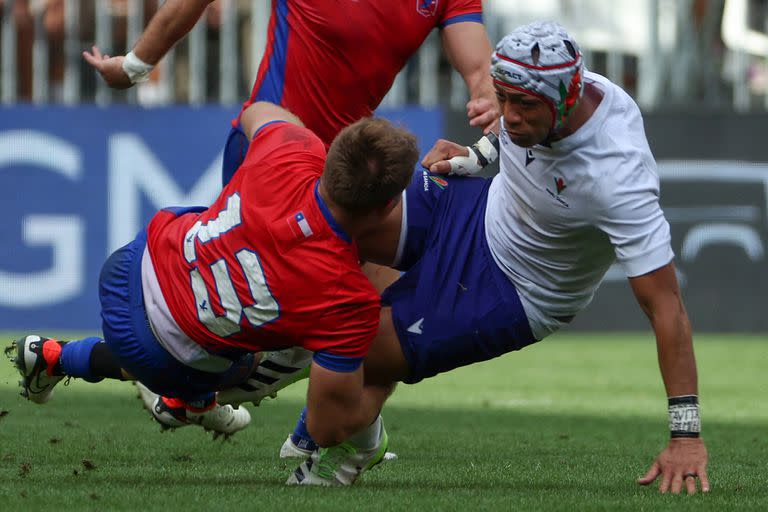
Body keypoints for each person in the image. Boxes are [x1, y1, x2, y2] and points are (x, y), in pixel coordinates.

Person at [214, 21, 710, 492]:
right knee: (337, 209)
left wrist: (685, 435)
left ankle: (347, 440)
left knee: (348, 350)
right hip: (473, 207)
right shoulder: (553, 85)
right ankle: (233, 336)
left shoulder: (618, 178)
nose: (511, 113)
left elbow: (666, 307)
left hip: (513, 290)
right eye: (505, 97)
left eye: (524, 105)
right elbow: (510, 131)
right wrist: (476, 157)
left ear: (568, 99)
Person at [12, 100, 419, 454]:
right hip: (166, 359)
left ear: (332, 154)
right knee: (322, 341)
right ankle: (191, 400)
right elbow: (330, 426)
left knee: (204, 275)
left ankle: (54, 358)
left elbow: (256, 111)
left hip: (131, 267)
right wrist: (385, 379)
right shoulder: (346, 299)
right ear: (386, 207)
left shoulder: (293, 149)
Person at [81, 0, 499, 184]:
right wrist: (133, 67)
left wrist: (490, 107)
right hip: (266, 151)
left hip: (345, 168)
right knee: (242, 330)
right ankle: (73, 355)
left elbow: (480, 68)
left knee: (362, 323)